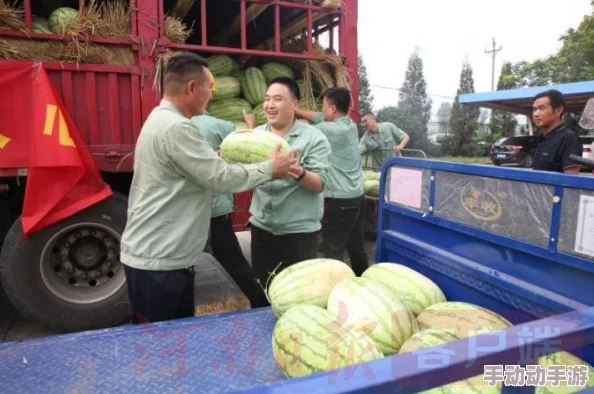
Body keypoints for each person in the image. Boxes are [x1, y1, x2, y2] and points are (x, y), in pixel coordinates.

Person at [119, 52, 301, 324]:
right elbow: (221, 180)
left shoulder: (161, 119)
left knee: (172, 341)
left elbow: (189, 170)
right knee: (159, 348)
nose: (211, 95)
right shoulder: (177, 128)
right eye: (209, 88)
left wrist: (212, 158)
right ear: (192, 88)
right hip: (159, 264)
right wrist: (271, 169)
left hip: (162, 258)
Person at [243, 77, 331, 306]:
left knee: (300, 299)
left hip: (299, 233)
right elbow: (242, 175)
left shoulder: (314, 138)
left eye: (278, 99)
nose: (270, 105)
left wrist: (298, 172)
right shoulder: (254, 136)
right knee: (263, 294)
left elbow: (320, 183)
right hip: (262, 229)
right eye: (267, 99)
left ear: (294, 104)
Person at [191, 81, 264, 308]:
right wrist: (250, 125)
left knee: (184, 264)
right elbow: (246, 145)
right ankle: (260, 302)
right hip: (216, 207)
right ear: (211, 99)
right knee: (234, 261)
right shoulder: (219, 125)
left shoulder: (179, 124)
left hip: (188, 209)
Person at [295, 87, 368, 276]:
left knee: (332, 250)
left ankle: (335, 289)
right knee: (356, 247)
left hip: (340, 200)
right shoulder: (349, 125)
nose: (322, 110)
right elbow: (320, 116)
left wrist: (289, 112)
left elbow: (303, 130)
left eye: (324, 106)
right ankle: (364, 280)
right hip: (358, 198)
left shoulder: (326, 130)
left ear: (333, 109)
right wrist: (297, 110)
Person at [532, 89, 583, 174]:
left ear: (558, 110)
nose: (535, 114)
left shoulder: (569, 138)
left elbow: (570, 180)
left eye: (541, 108)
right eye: (534, 109)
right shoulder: (543, 138)